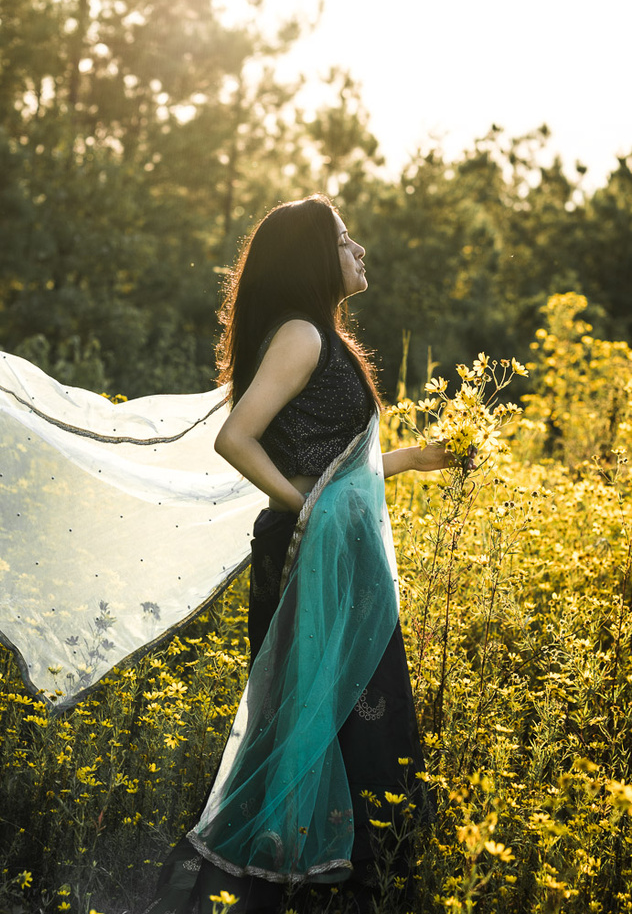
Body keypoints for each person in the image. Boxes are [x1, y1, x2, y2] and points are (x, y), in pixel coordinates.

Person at [145, 195, 453, 914]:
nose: (360, 251)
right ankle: (277, 893)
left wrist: (420, 457)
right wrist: (303, 507)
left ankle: (338, 888)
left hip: (334, 560)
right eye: (346, 241)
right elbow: (236, 438)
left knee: (352, 722)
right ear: (316, 258)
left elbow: (336, 467)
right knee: (310, 729)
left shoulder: (321, 337)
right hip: (305, 559)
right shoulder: (302, 336)